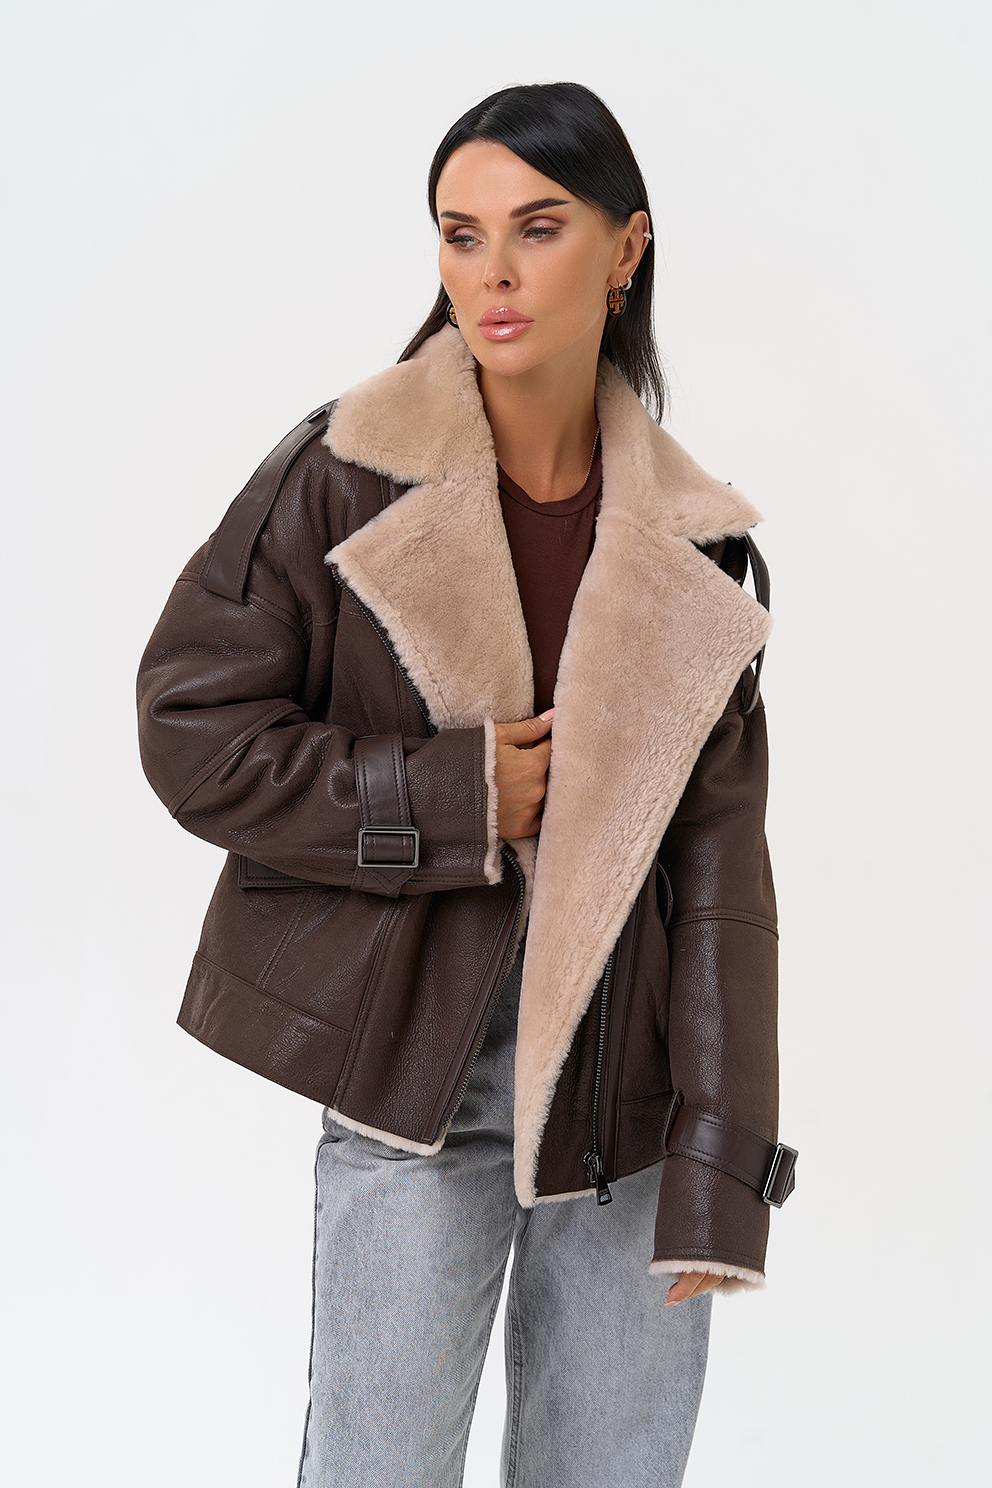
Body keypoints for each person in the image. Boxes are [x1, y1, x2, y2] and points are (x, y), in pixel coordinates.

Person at [137, 81, 796, 1488]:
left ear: (625, 250)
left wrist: (723, 1166)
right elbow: (192, 729)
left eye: (538, 228)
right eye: (461, 232)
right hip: (411, 1088)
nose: (492, 271)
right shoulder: (346, 475)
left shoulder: (697, 548)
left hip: (628, 1108)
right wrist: (453, 795)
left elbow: (724, 878)